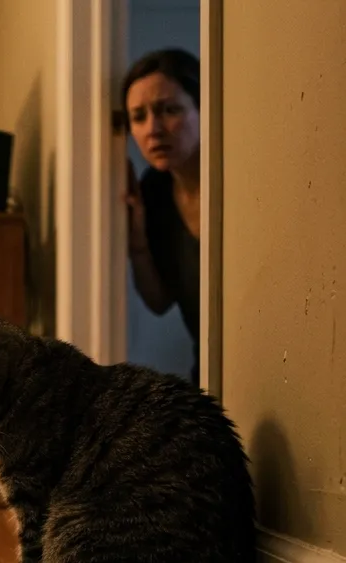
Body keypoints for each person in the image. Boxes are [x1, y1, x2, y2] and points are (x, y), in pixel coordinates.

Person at [122, 48, 202, 384]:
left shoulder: (238, 184)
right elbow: (159, 300)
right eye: (138, 117)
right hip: (208, 367)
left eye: (169, 110)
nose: (152, 129)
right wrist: (137, 240)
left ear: (202, 108)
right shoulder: (153, 191)